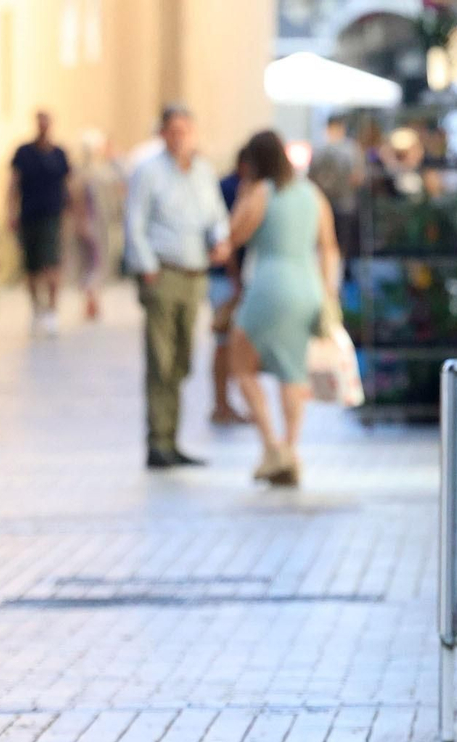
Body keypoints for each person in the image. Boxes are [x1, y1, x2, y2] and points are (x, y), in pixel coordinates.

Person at [227, 129, 339, 486]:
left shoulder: (261, 192)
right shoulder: (312, 193)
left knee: (241, 363)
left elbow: (236, 235)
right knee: (293, 371)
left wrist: (243, 195)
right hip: (308, 286)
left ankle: (272, 445)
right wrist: (327, 290)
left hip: (270, 283)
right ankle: (291, 449)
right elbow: (329, 246)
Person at [123, 104, 230, 469]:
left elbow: (216, 215)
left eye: (186, 129)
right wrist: (147, 267)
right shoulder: (149, 172)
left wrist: (220, 240)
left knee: (182, 360)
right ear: (163, 133)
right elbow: (134, 221)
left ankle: (173, 436)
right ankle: (158, 440)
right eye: (173, 130)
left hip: (194, 274)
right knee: (161, 360)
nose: (180, 136)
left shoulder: (202, 172)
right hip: (164, 272)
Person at [9, 110, 71, 336]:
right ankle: (37, 308)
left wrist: (71, 214)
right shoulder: (24, 153)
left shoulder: (59, 155)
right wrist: (11, 212)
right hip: (29, 215)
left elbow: (67, 185)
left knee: (52, 264)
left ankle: (52, 310)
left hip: (52, 215)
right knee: (32, 268)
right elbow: (13, 183)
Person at [207, 147, 252, 425]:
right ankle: (222, 404)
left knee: (233, 344)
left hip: (236, 278)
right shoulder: (231, 189)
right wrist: (236, 279)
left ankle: (226, 403)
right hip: (227, 278)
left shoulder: (250, 190)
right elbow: (227, 237)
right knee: (225, 342)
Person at [72, 130, 123, 322]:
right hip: (91, 223)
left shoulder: (101, 170)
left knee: (95, 262)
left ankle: (93, 298)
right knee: (93, 262)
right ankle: (91, 298)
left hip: (100, 222)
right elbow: (77, 198)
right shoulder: (86, 172)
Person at [307, 114, 364, 268]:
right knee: (337, 247)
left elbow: (310, 179)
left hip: (328, 204)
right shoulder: (351, 149)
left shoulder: (321, 149)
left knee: (325, 245)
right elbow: (357, 178)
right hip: (341, 205)